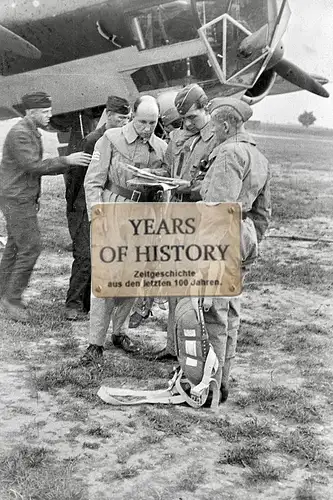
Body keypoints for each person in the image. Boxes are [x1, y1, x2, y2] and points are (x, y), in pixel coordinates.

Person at [82, 95, 167, 364]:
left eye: (152, 123)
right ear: (132, 116)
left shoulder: (161, 148)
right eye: (142, 121)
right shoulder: (110, 139)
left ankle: (119, 332)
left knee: (131, 277)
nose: (146, 128)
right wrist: (97, 217)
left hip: (143, 219)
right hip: (113, 212)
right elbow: (93, 182)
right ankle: (95, 342)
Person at [200, 97, 271, 403]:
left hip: (223, 239)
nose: (211, 131)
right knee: (231, 312)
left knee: (215, 311)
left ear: (226, 125)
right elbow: (264, 211)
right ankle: (222, 381)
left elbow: (217, 209)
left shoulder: (229, 152)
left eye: (213, 125)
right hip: (243, 236)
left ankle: (211, 386)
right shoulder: (257, 155)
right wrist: (251, 238)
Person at [0, 91, 92, 322]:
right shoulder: (21, 133)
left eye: (50, 111)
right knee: (30, 247)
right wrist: (67, 161)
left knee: (14, 246)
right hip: (17, 199)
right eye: (45, 112)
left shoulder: (29, 130)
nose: (50, 116)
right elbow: (33, 165)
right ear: (31, 112)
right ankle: (12, 300)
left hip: (19, 197)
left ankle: (4, 293)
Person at [154, 83, 217, 361]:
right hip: (174, 218)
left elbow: (215, 182)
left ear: (206, 108)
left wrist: (189, 187)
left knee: (195, 289)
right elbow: (167, 168)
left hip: (199, 220)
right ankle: (172, 347)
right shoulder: (178, 137)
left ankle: (195, 350)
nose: (188, 124)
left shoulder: (217, 139)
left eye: (193, 117)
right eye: (183, 119)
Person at [64, 96, 131, 320]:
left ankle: (86, 304)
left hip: (106, 204)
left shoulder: (121, 140)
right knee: (84, 255)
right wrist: (74, 207)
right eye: (120, 117)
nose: (124, 122)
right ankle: (72, 305)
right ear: (109, 115)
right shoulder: (93, 140)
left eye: (126, 118)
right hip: (85, 205)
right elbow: (75, 178)